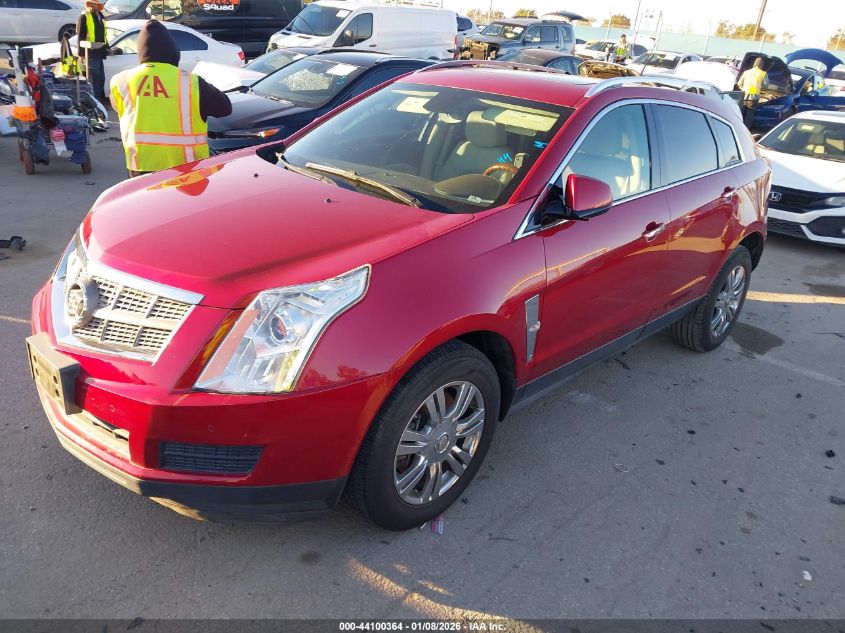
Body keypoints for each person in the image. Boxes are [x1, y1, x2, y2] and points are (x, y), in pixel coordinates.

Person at [110, 20, 232, 177]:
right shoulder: (191, 82)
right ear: (173, 51)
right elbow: (225, 108)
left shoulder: (121, 80)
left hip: (140, 169)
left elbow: (118, 107)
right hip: (187, 170)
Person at [76, 0, 108, 99]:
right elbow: (80, 36)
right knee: (94, 80)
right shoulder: (85, 16)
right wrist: (81, 55)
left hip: (99, 52)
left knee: (101, 79)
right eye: (92, 4)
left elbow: (103, 35)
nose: (94, 6)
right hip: (90, 53)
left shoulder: (101, 16)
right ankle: (94, 102)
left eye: (97, 4)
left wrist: (107, 47)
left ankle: (96, 101)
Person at [737, 58, 769, 127]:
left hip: (744, 95)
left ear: (754, 64)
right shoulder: (763, 73)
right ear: (762, 65)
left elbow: (739, 83)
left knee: (741, 113)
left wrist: (743, 89)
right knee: (749, 115)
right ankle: (745, 129)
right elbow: (766, 85)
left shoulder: (746, 72)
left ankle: (737, 127)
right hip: (754, 97)